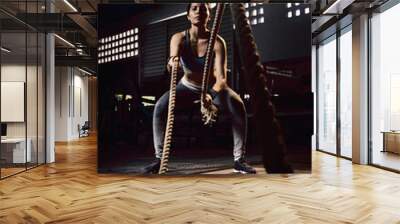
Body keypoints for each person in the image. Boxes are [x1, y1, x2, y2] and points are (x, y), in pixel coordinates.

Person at [143, 3, 256, 174]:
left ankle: (239, 160)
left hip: (212, 87)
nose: (199, 12)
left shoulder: (217, 42)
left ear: (209, 16)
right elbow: (172, 59)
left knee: (237, 104)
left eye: (203, 9)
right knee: (159, 106)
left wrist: (210, 95)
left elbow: (221, 78)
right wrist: (172, 63)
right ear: (188, 15)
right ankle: (159, 158)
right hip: (186, 87)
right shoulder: (179, 38)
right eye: (194, 8)